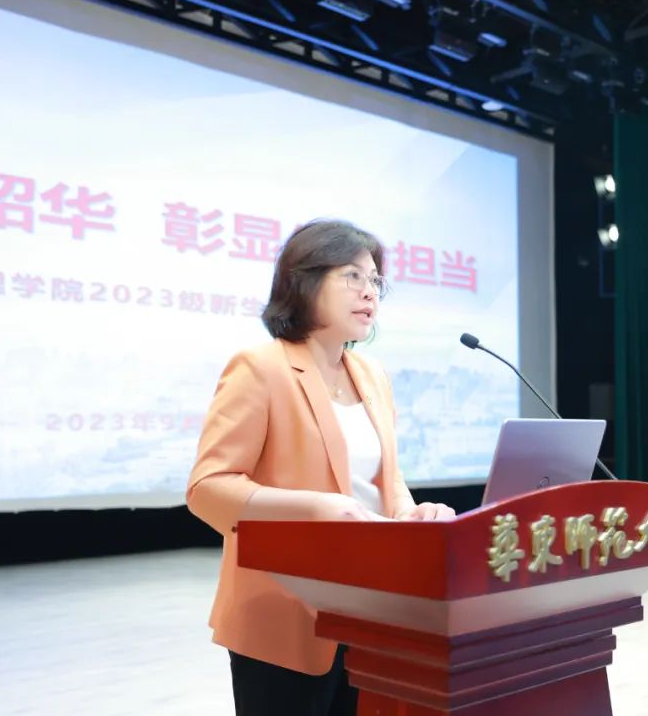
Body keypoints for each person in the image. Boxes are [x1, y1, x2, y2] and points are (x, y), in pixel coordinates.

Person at [186, 218, 456, 716]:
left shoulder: (371, 374)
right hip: (283, 607)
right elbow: (208, 487)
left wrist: (409, 513)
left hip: (372, 605)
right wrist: (315, 508)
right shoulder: (260, 367)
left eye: (375, 281)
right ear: (305, 281)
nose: (369, 292)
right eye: (352, 276)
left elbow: (384, 478)